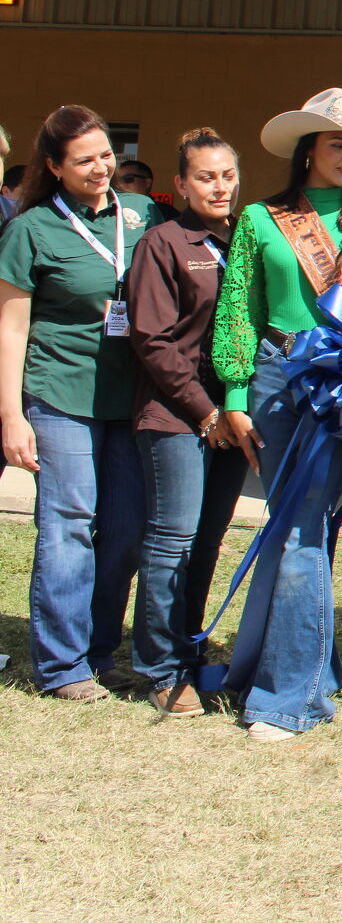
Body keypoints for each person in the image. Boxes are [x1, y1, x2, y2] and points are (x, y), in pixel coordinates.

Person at [212, 88, 342, 740]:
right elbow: (239, 307)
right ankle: (313, 672)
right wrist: (235, 396)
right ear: (308, 150)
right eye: (338, 143)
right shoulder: (260, 220)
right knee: (299, 527)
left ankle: (284, 698)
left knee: (301, 532)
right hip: (273, 378)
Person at [0, 106, 147, 700]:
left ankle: (99, 649)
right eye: (84, 160)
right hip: (59, 394)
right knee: (69, 525)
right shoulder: (29, 230)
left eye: (106, 154)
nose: (101, 167)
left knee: (125, 529)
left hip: (131, 399)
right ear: (55, 168)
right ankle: (63, 665)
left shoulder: (140, 215)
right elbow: (11, 328)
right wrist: (11, 414)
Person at [126, 128, 247, 717]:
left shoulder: (244, 239)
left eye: (227, 175)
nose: (219, 186)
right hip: (177, 416)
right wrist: (206, 412)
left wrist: (236, 408)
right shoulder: (163, 243)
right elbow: (153, 340)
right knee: (172, 539)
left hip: (234, 417)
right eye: (205, 176)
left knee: (207, 541)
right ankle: (158, 667)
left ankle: (190, 646)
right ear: (180, 184)